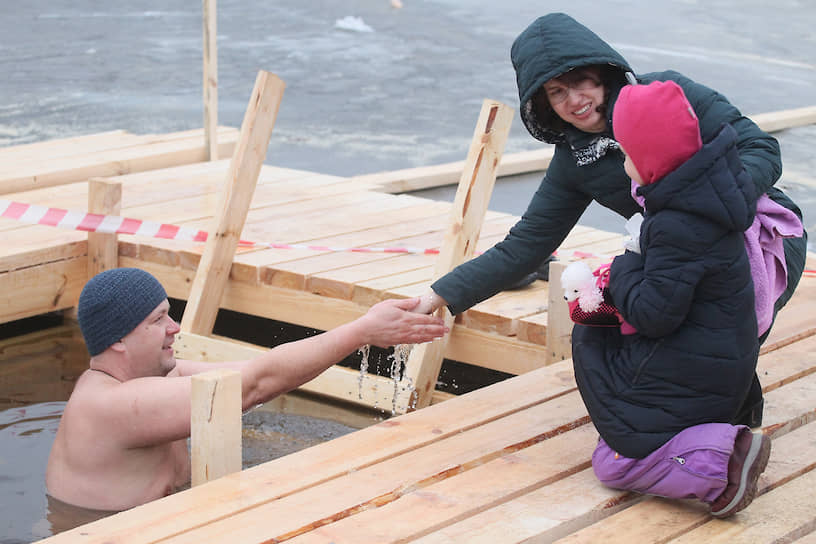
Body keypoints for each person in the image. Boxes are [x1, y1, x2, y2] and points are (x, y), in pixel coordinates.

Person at [416, 12, 808, 430]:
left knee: (715, 331)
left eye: (581, 81)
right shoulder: (575, 160)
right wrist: (437, 297)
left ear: (603, 74)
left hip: (759, 234)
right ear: (543, 103)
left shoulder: (667, 95)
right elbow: (526, 245)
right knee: (646, 324)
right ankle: (700, 425)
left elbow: (760, 148)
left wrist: (709, 203)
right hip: (675, 249)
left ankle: (719, 429)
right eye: (557, 92)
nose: (574, 100)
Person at [45, 267, 448, 513]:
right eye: (159, 320)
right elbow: (253, 386)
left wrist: (362, 328)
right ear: (118, 340)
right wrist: (361, 332)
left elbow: (257, 373)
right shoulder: (108, 406)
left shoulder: (155, 378)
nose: (175, 328)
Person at [573, 79, 769, 518]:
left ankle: (721, 463)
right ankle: (695, 439)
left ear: (651, 160)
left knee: (613, 462)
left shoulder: (677, 223)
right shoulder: (708, 197)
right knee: (620, 433)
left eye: (626, 154)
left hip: (694, 376)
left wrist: (624, 266)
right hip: (718, 369)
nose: (624, 164)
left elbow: (653, 315)